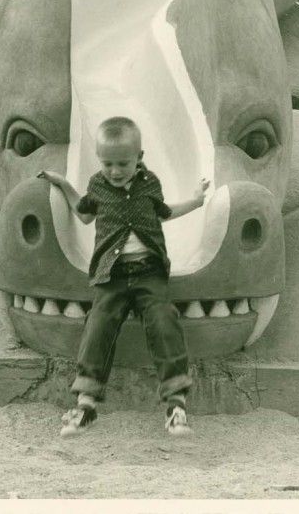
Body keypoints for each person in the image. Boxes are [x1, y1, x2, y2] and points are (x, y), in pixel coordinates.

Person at [38, 116, 210, 437]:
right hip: (111, 274)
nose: (115, 171)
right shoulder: (97, 186)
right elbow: (85, 214)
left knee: (163, 319)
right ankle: (86, 405)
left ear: (140, 157)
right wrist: (63, 183)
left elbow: (165, 213)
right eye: (107, 163)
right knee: (98, 322)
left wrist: (197, 201)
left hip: (149, 272)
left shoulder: (150, 183)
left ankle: (176, 405)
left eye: (123, 163)